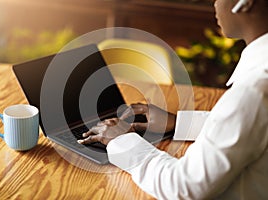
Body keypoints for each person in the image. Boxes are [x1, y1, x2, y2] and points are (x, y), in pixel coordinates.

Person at [78, 0, 268, 199]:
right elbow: (249, 125)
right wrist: (179, 123)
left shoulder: (254, 89)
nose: (215, 3)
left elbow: (183, 187)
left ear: (246, 3)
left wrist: (121, 141)